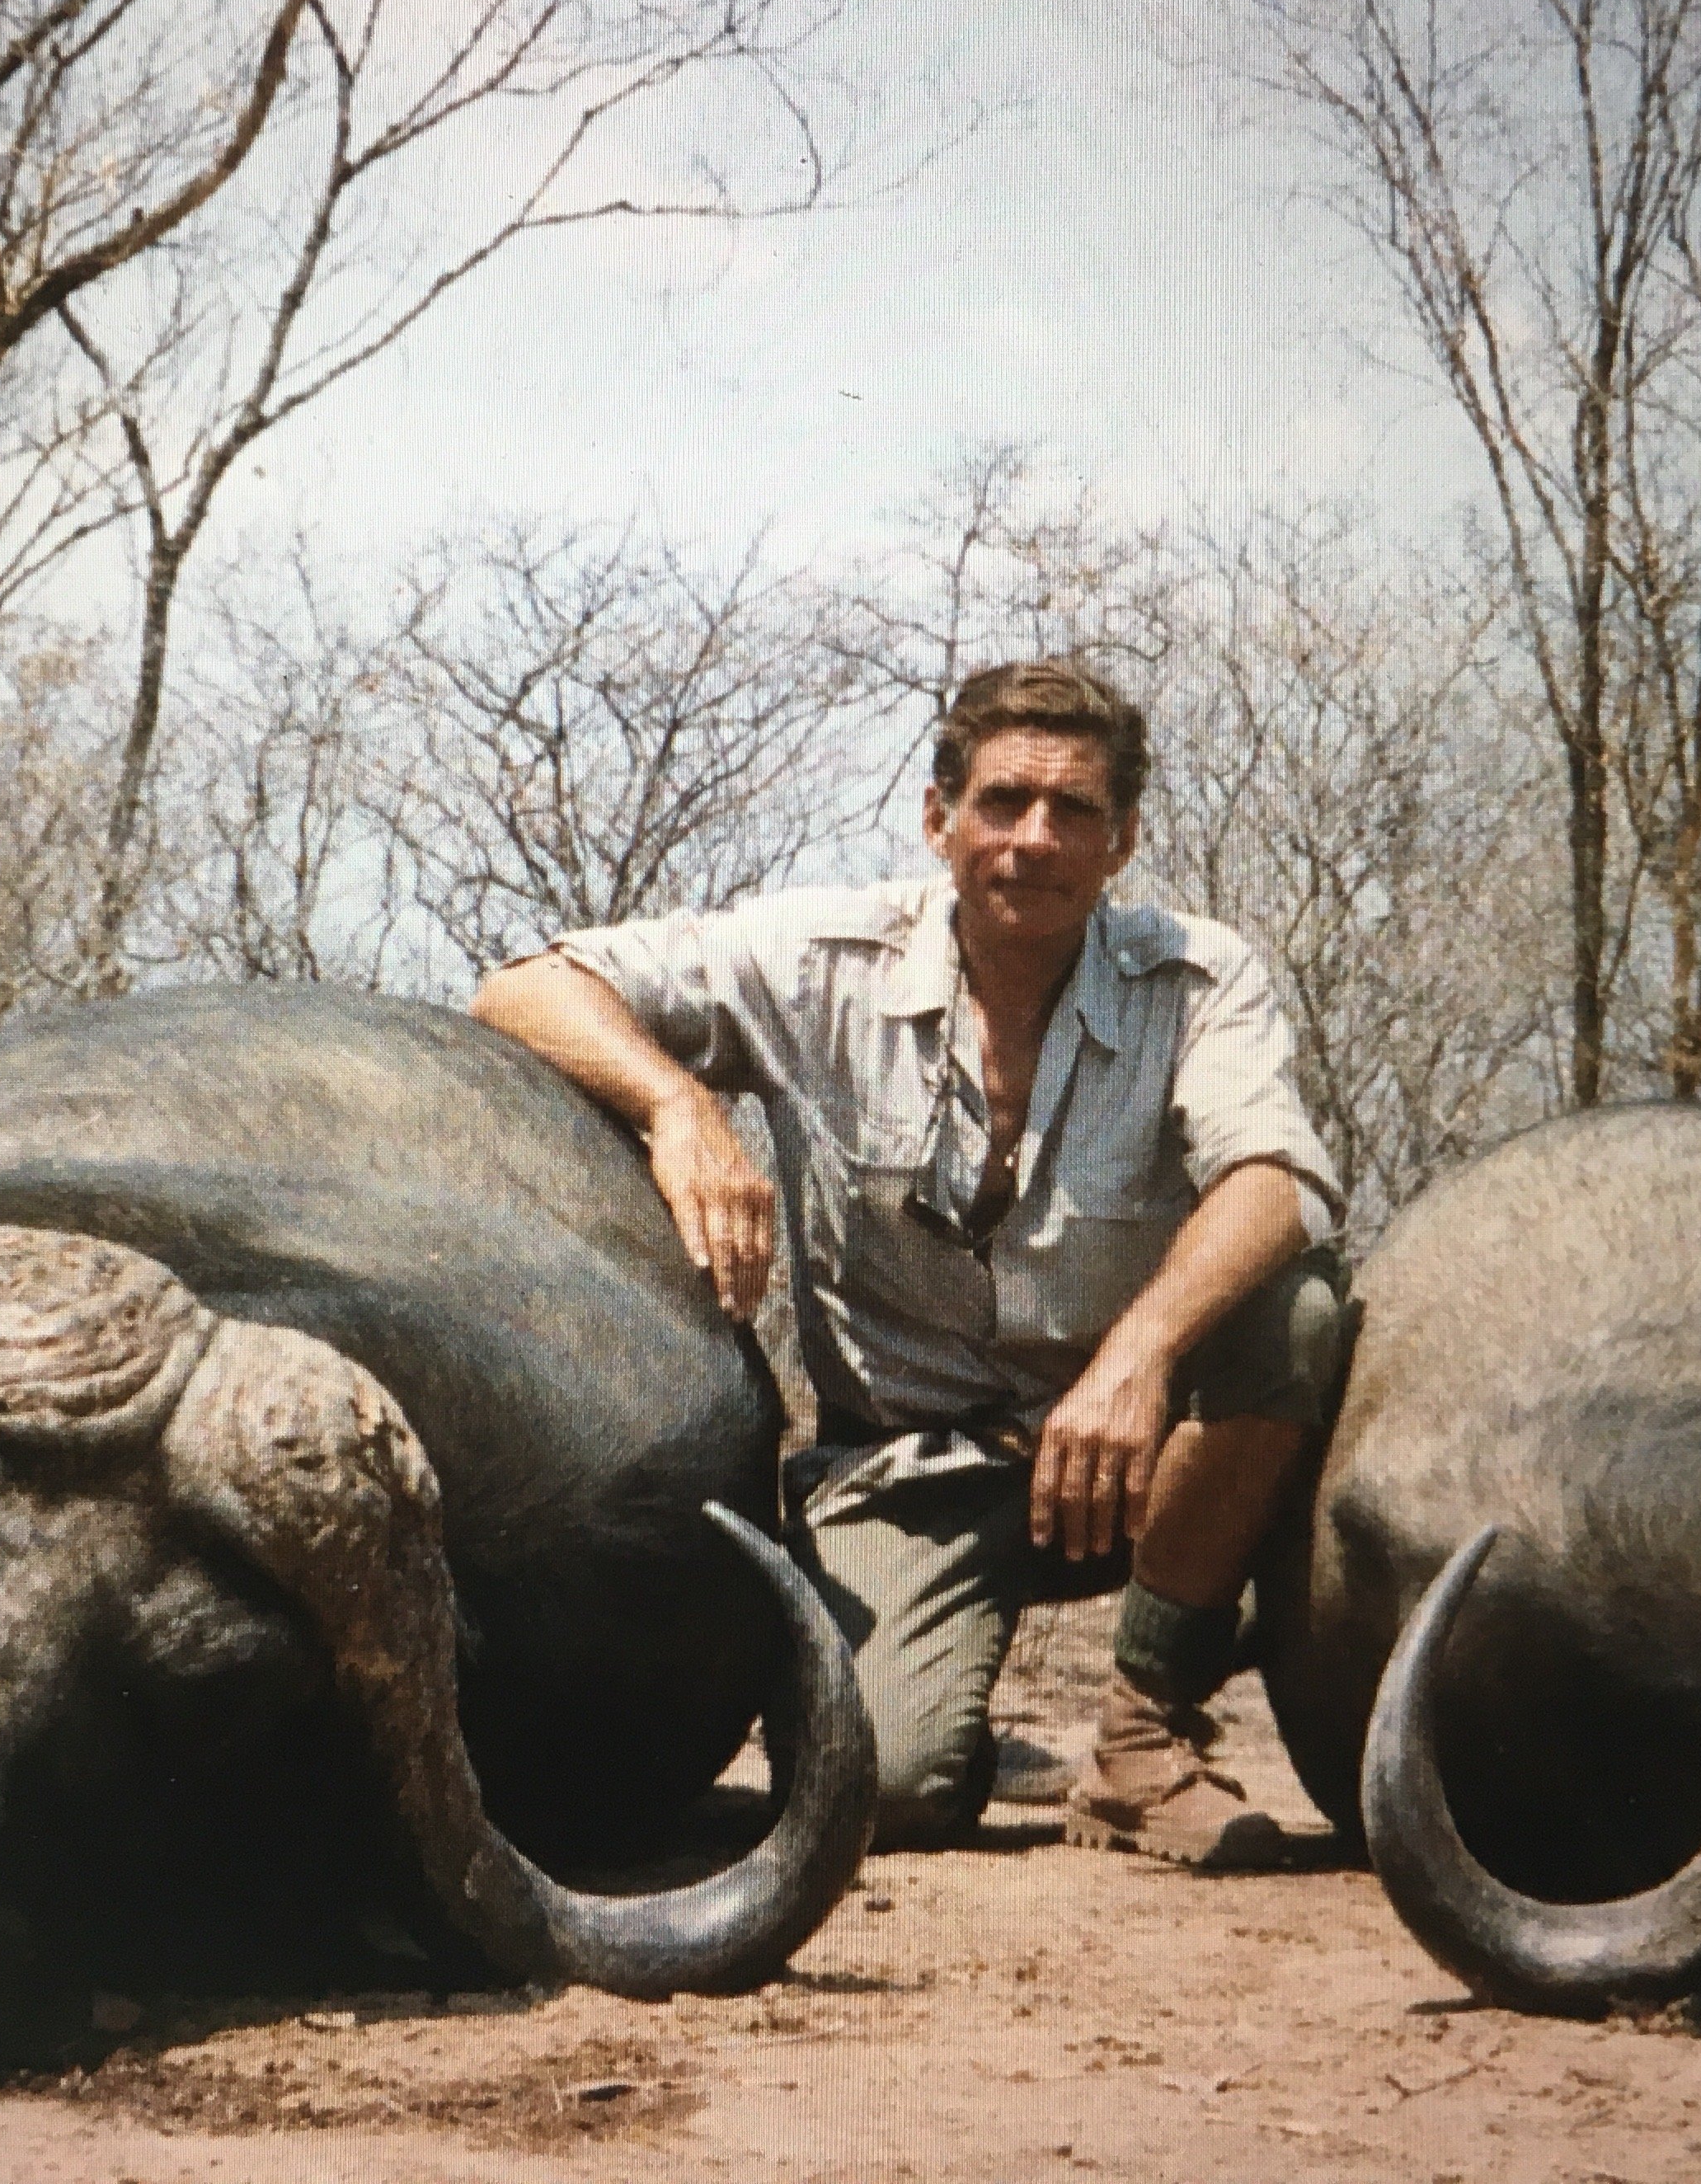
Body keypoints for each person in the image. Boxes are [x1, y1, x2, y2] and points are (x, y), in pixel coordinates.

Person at [470, 659, 1351, 1865]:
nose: (1035, 839)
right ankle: (942, 1712)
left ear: (1123, 841)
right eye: (1003, 802)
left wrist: (1136, 1360)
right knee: (879, 1796)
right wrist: (680, 1108)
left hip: (1129, 1454)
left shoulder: (1199, 976)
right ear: (939, 821)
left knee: (1294, 1317)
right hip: (906, 1467)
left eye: (1075, 811)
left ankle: (1148, 1730)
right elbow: (525, 987)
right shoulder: (820, 956)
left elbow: (1278, 1180)